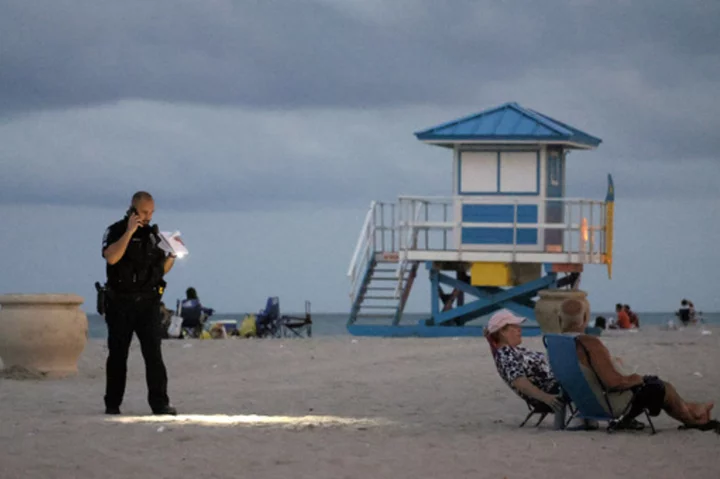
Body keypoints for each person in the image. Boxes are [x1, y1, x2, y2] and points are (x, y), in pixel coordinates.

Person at [560, 298, 715, 429]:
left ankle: (694, 409)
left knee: (654, 383)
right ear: (586, 317)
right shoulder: (589, 343)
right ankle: (693, 419)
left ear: (560, 319)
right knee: (661, 386)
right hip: (610, 405)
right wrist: (635, 378)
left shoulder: (558, 344)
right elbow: (613, 383)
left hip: (585, 403)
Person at [101, 191, 177, 416]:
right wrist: (129, 231)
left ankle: (160, 403)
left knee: (153, 354)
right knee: (118, 354)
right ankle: (113, 403)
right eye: (144, 212)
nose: (148, 217)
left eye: (151, 212)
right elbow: (112, 257)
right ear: (133, 210)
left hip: (148, 303)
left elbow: (160, 271)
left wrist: (172, 256)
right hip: (120, 302)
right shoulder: (115, 230)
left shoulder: (155, 237)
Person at [485, 310, 566, 427]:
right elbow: (519, 381)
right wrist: (546, 398)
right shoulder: (506, 354)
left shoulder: (512, 351)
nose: (520, 330)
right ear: (503, 331)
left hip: (557, 384)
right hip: (552, 391)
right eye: (515, 327)